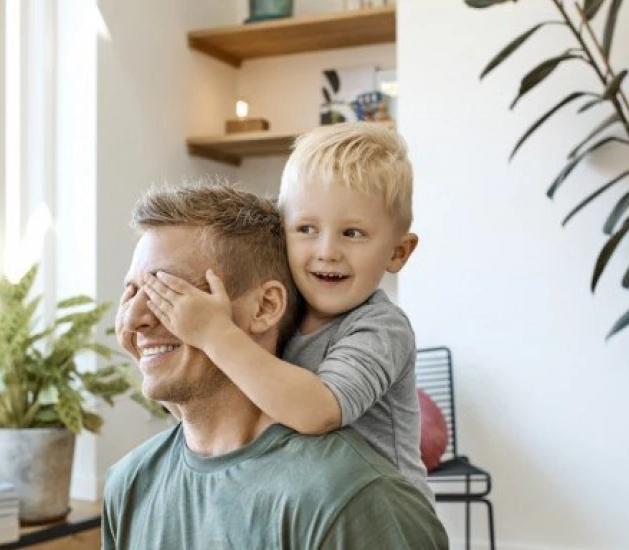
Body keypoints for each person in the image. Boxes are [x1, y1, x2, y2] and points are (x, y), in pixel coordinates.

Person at [104, 182, 447, 549]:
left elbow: (322, 408)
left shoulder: (348, 501)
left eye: (167, 290)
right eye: (132, 292)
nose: (135, 318)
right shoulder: (128, 485)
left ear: (265, 307)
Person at [145, 123, 431, 501]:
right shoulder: (281, 314)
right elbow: (222, 407)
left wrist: (216, 333)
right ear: (282, 233)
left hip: (381, 515)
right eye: (306, 228)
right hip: (309, 504)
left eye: (352, 233)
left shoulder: (381, 327)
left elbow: (319, 411)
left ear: (398, 252)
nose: (327, 251)